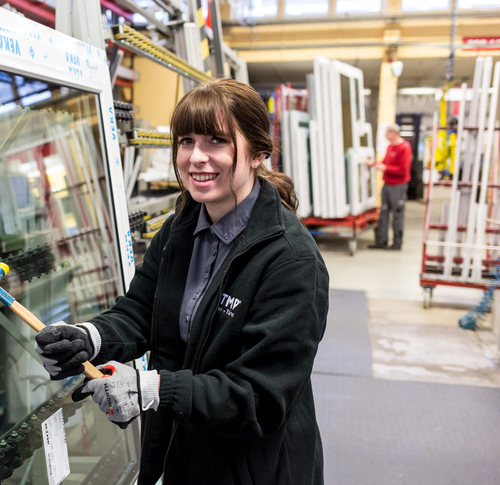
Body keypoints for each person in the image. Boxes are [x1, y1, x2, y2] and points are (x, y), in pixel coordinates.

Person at [35, 78, 330, 485]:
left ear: (260, 152)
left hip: (255, 467)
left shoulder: (291, 262)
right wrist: (90, 337)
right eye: (186, 141)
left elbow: (261, 397)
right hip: (185, 452)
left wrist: (152, 388)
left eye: (217, 142)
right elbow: (143, 311)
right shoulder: (181, 229)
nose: (196, 158)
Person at [368, 123, 412, 250]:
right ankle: (382, 241)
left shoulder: (404, 148)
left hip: (398, 186)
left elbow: (403, 170)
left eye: (387, 133)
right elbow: (385, 163)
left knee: (397, 215)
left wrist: (385, 168)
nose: (385, 135)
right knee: (384, 213)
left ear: (393, 133)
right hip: (387, 184)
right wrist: (373, 164)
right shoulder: (390, 147)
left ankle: (397, 242)